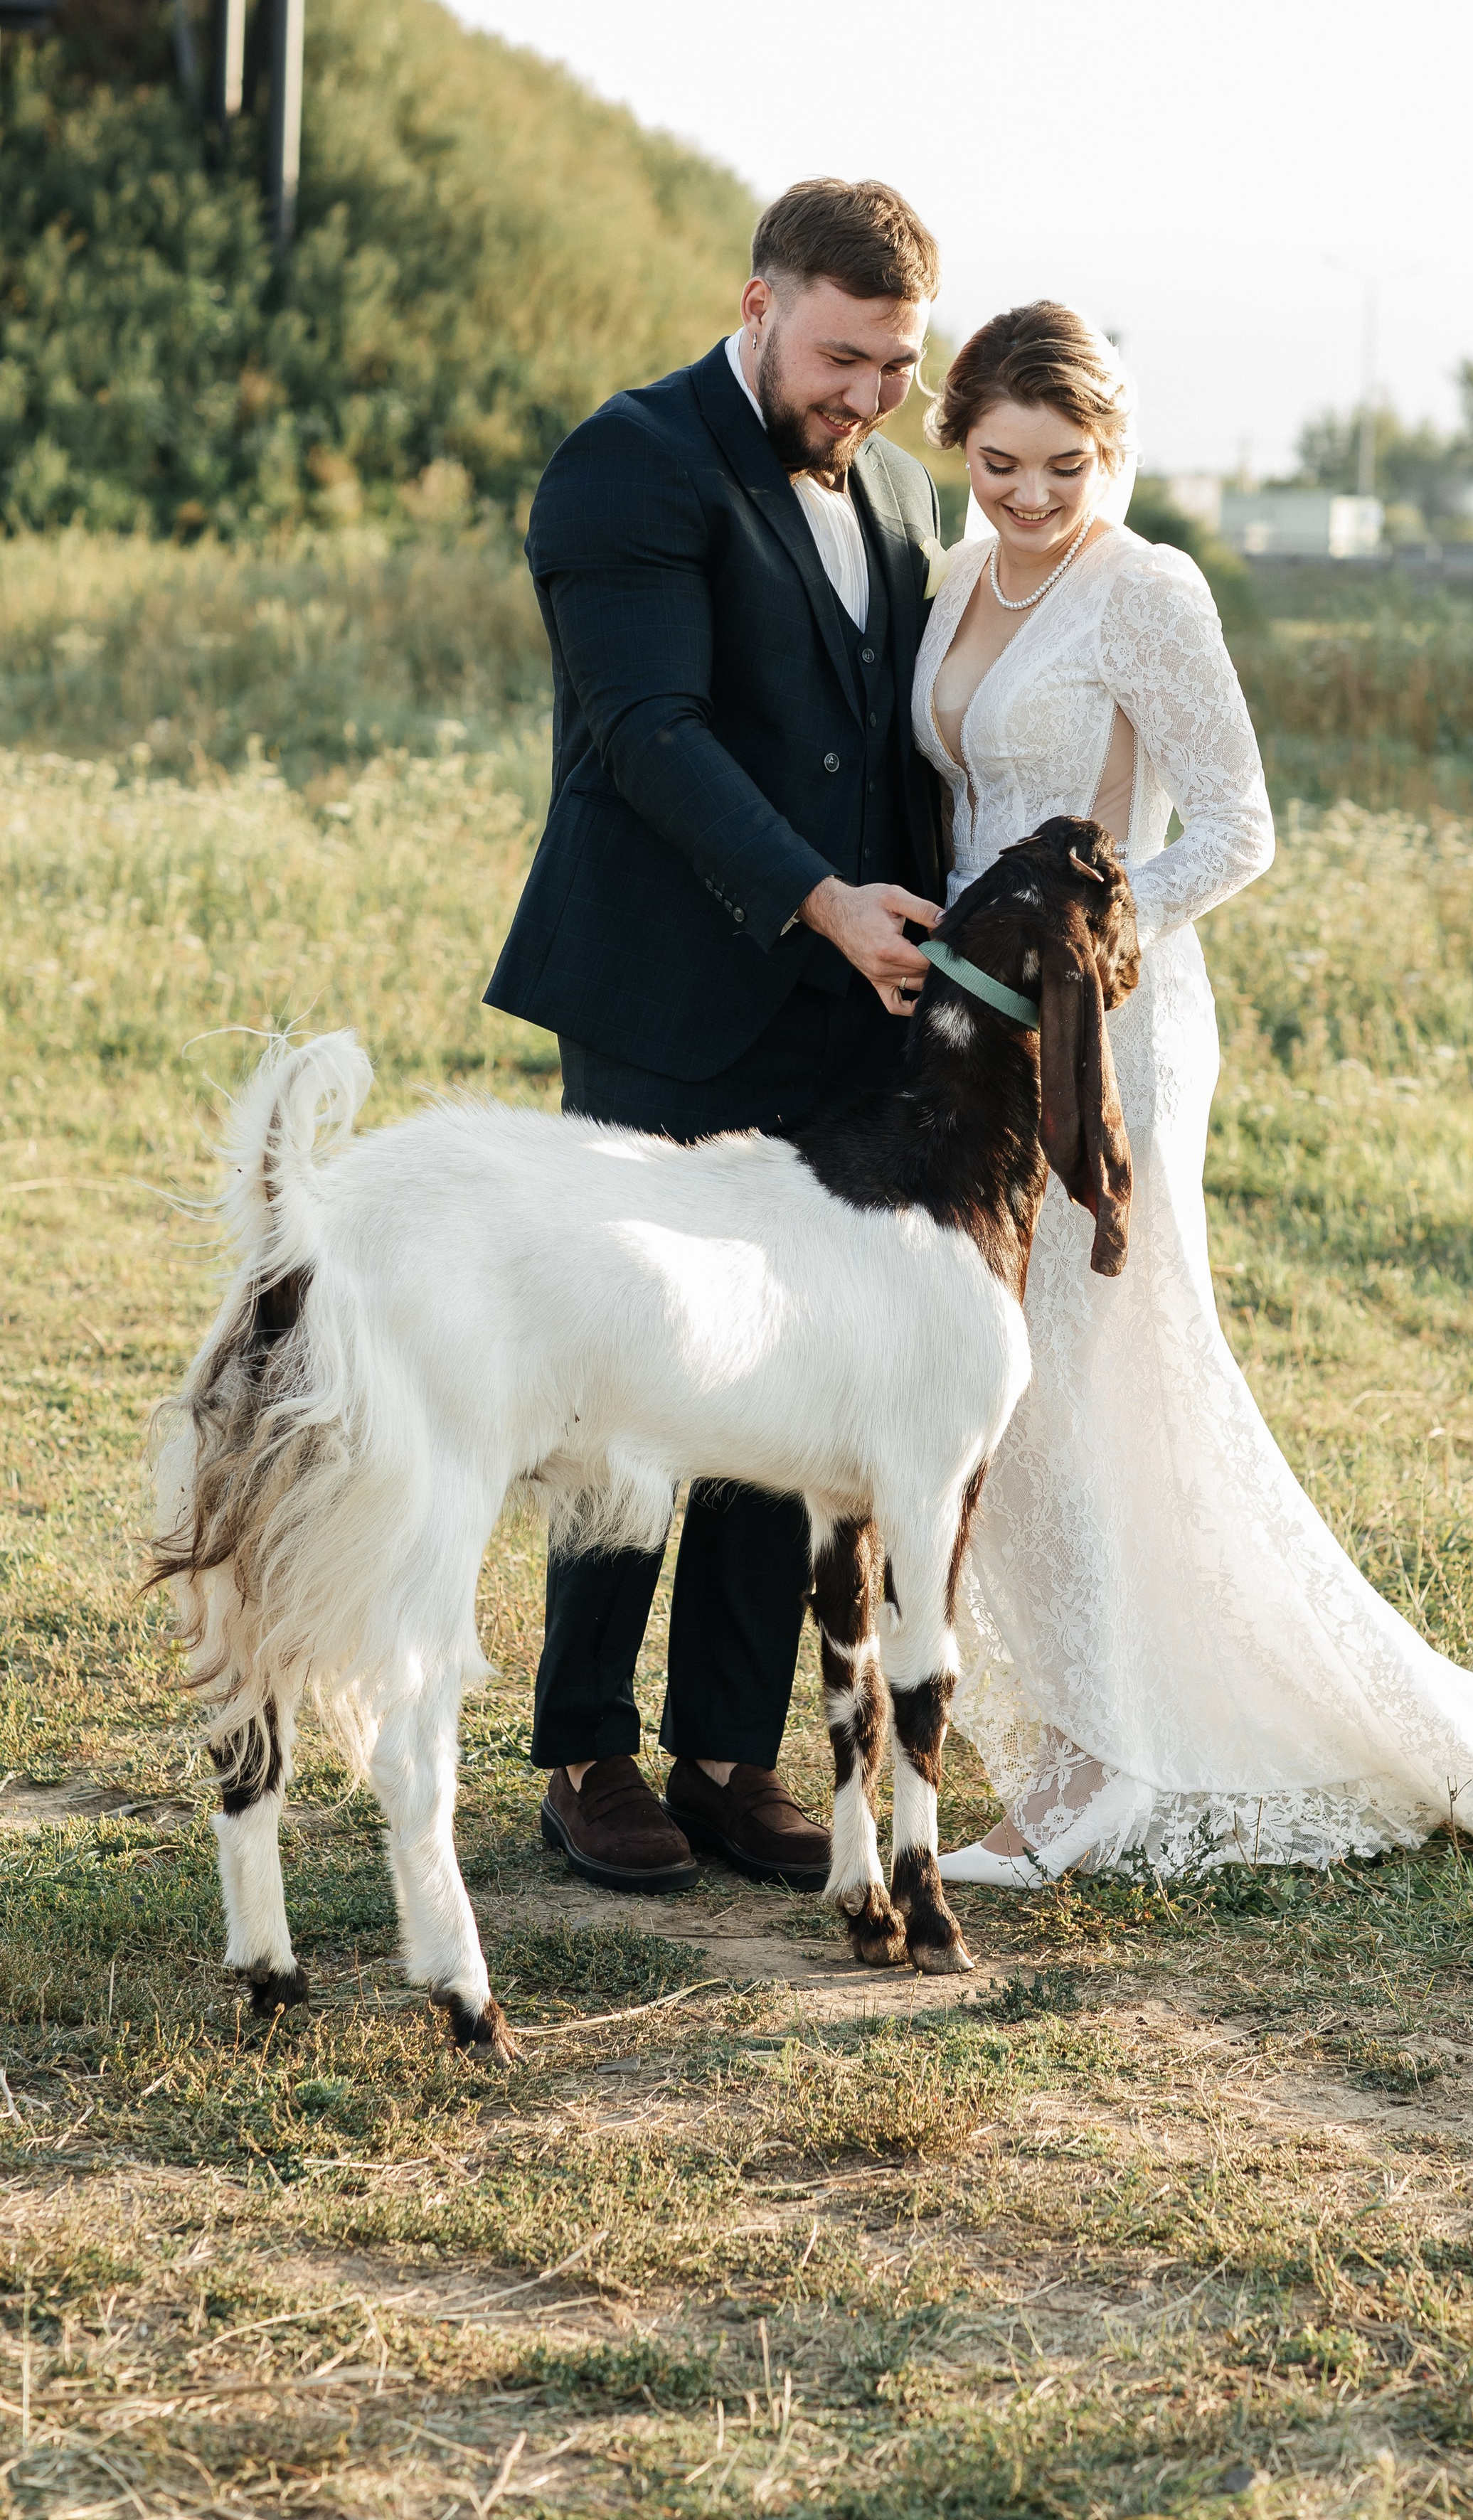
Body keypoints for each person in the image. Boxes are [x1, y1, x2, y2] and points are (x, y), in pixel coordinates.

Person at [911, 303, 1473, 1884]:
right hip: (973, 1032)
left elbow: (1237, 830)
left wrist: (1081, 953)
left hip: (1112, 1033)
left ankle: (1101, 1767)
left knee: (1084, 1379)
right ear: (959, 446)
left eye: (1066, 465)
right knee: (1008, 1383)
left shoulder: (1147, 590)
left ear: (1111, 453)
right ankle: (1081, 1730)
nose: (1033, 495)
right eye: (1000, 463)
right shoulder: (951, 577)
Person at [485, 179, 949, 1896]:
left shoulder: (898, 489)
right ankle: (584, 1752)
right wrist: (817, 898)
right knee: (624, 1363)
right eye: (839, 359)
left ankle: (729, 1754)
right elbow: (648, 731)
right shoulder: (626, 463)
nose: (867, 398)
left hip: (847, 1021)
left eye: (896, 367)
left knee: (793, 1368)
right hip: (666, 999)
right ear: (756, 304)